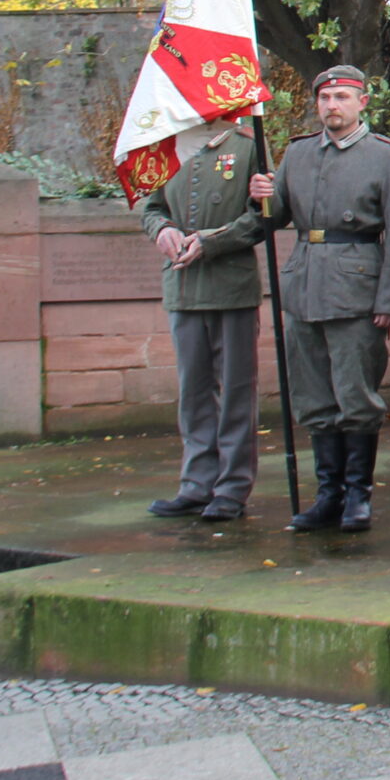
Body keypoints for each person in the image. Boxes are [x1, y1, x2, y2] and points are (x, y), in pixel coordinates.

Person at [247, 66, 390, 533]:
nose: (332, 106)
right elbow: (275, 218)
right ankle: (329, 495)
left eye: (342, 97)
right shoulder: (299, 153)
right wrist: (262, 196)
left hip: (357, 290)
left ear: (363, 102)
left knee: (355, 397)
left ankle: (358, 498)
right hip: (304, 287)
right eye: (325, 98)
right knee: (314, 398)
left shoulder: (387, 159)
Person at [137, 116, 271, 522]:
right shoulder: (168, 146)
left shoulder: (248, 145)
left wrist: (213, 241)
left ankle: (231, 487)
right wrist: (160, 229)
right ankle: (196, 484)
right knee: (193, 391)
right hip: (183, 286)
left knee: (235, 391)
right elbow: (151, 204)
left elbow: (265, 215)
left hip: (231, 286)